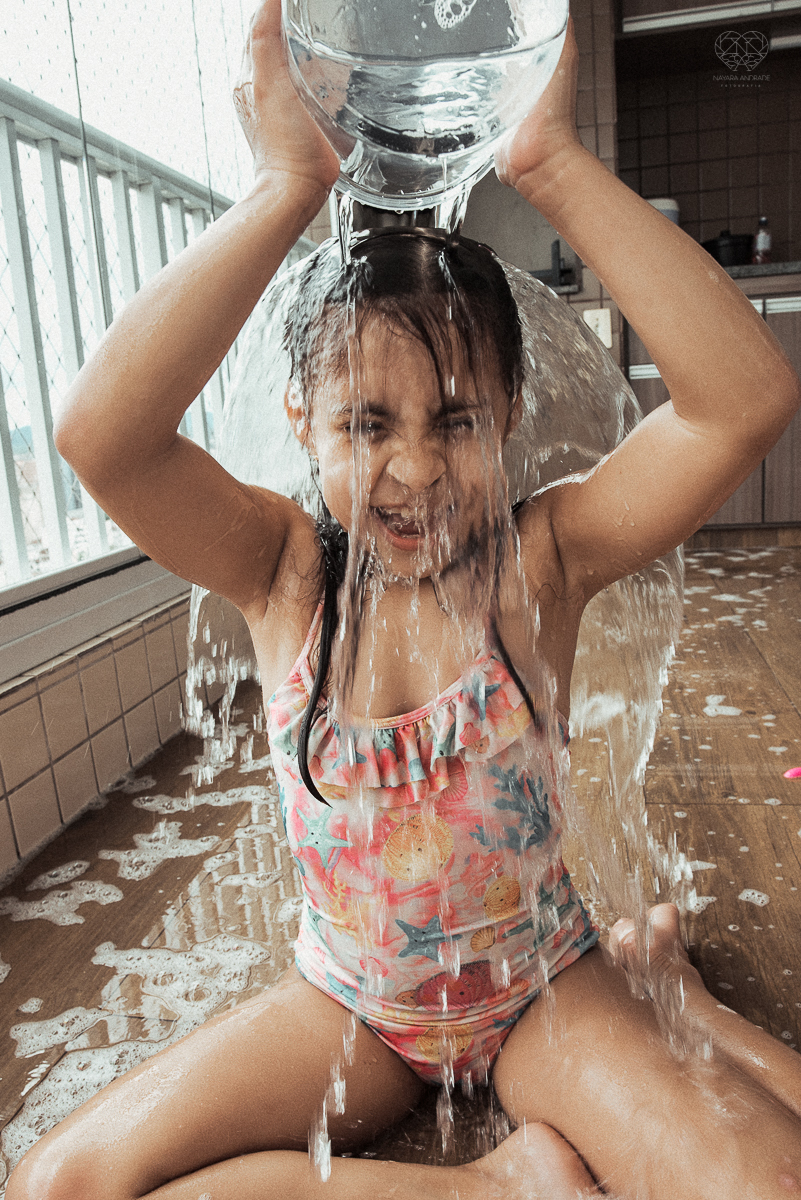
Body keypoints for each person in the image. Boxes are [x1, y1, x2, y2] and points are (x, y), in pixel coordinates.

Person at [7, 0, 801, 1195]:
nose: (417, 468)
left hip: (540, 990)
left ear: (511, 413)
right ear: (305, 423)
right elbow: (102, 438)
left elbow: (742, 403)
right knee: (57, 1185)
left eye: (459, 420)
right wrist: (286, 187)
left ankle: (659, 1004)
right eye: (368, 424)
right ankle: (496, 1186)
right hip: (354, 1008)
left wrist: (552, 162)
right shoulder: (283, 573)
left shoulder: (541, 562)